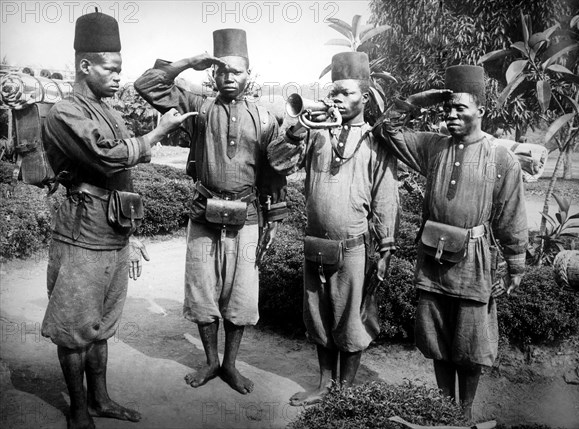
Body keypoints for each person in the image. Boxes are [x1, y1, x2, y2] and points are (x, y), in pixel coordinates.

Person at [41, 11, 195, 429]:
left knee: (103, 326)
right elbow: (109, 157)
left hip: (113, 231)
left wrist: (134, 235)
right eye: (110, 69)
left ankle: (101, 399)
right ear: (85, 65)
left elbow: (125, 167)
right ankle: (77, 412)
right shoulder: (64, 112)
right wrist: (156, 134)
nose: (117, 78)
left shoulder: (105, 109)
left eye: (120, 70)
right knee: (74, 329)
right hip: (81, 236)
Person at [134, 28, 287, 395]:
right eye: (222, 71)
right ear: (213, 75)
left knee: (242, 294)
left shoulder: (265, 118)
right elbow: (146, 84)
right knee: (202, 290)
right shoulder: (196, 107)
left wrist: (275, 221)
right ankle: (210, 361)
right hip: (204, 212)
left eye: (237, 71)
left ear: (249, 74)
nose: (229, 78)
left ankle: (231, 365)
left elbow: (274, 172)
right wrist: (188, 61)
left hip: (248, 216)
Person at [373, 65, 528, 421]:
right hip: (432, 256)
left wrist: (516, 263)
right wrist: (416, 101)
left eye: (461, 107)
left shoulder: (500, 157)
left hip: (473, 262)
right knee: (437, 340)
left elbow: (511, 213)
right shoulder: (433, 146)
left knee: (470, 346)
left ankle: (465, 412)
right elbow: (386, 129)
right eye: (448, 107)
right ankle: (444, 410)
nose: (451, 114)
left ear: (481, 111)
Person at [267, 51, 398, 406]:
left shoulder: (376, 141)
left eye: (346, 92)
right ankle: (324, 384)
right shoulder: (316, 134)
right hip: (315, 245)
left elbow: (386, 198)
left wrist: (386, 248)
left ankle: (345, 390)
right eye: (333, 91)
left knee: (351, 320)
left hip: (355, 247)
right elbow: (278, 162)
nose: (336, 98)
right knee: (319, 318)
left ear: (365, 98)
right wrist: (299, 128)